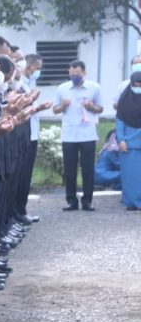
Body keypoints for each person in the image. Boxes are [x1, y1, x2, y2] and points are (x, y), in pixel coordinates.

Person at [53, 59, 104, 211]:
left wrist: (91, 106)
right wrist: (63, 106)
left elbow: (100, 108)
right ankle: (71, 200)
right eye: (72, 73)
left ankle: (87, 200)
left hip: (87, 132)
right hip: (69, 134)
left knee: (88, 168)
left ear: (84, 73)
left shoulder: (94, 87)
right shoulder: (62, 88)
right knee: (70, 169)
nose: (74, 76)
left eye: (77, 74)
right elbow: (55, 110)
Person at [15, 53, 52, 225]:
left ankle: (21, 210)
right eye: (38, 69)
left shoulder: (30, 83)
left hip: (32, 133)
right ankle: (18, 212)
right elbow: (22, 109)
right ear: (29, 67)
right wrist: (37, 107)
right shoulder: (20, 85)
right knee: (21, 178)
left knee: (26, 176)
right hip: (24, 134)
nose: (39, 72)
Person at [115, 71, 141, 210]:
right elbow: (119, 122)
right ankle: (131, 202)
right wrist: (121, 140)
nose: (138, 88)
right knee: (130, 176)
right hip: (129, 144)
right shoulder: (124, 101)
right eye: (136, 85)